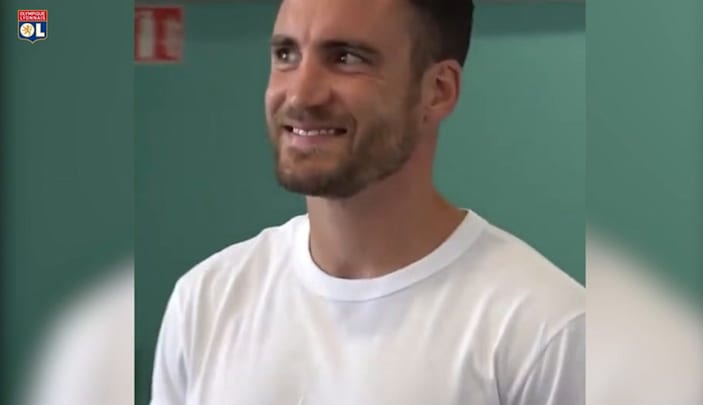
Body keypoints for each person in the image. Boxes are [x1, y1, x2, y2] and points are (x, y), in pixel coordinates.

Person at [150, 0, 585, 403]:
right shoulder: (205, 301)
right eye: (286, 54)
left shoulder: (545, 330)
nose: (300, 95)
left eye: (346, 58)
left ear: (438, 90)